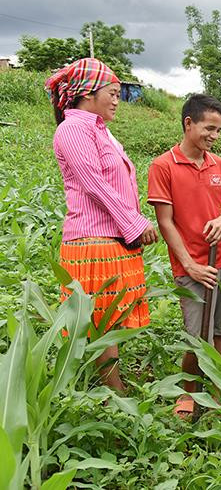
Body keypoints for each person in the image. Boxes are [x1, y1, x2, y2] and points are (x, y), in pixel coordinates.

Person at [46, 58, 159, 392]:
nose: (116, 100)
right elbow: (94, 184)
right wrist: (134, 223)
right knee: (103, 322)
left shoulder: (100, 131)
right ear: (88, 93)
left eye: (118, 94)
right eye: (111, 93)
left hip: (112, 239)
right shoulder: (72, 129)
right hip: (92, 240)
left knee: (111, 319)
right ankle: (111, 391)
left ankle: (110, 385)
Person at [147, 94, 221, 417]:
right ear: (189, 123)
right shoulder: (163, 166)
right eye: (209, 128)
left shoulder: (219, 165)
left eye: (218, 130)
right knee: (194, 335)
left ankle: (217, 391)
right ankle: (188, 392)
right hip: (192, 267)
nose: (214, 136)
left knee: (220, 331)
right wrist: (190, 265)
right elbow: (165, 221)